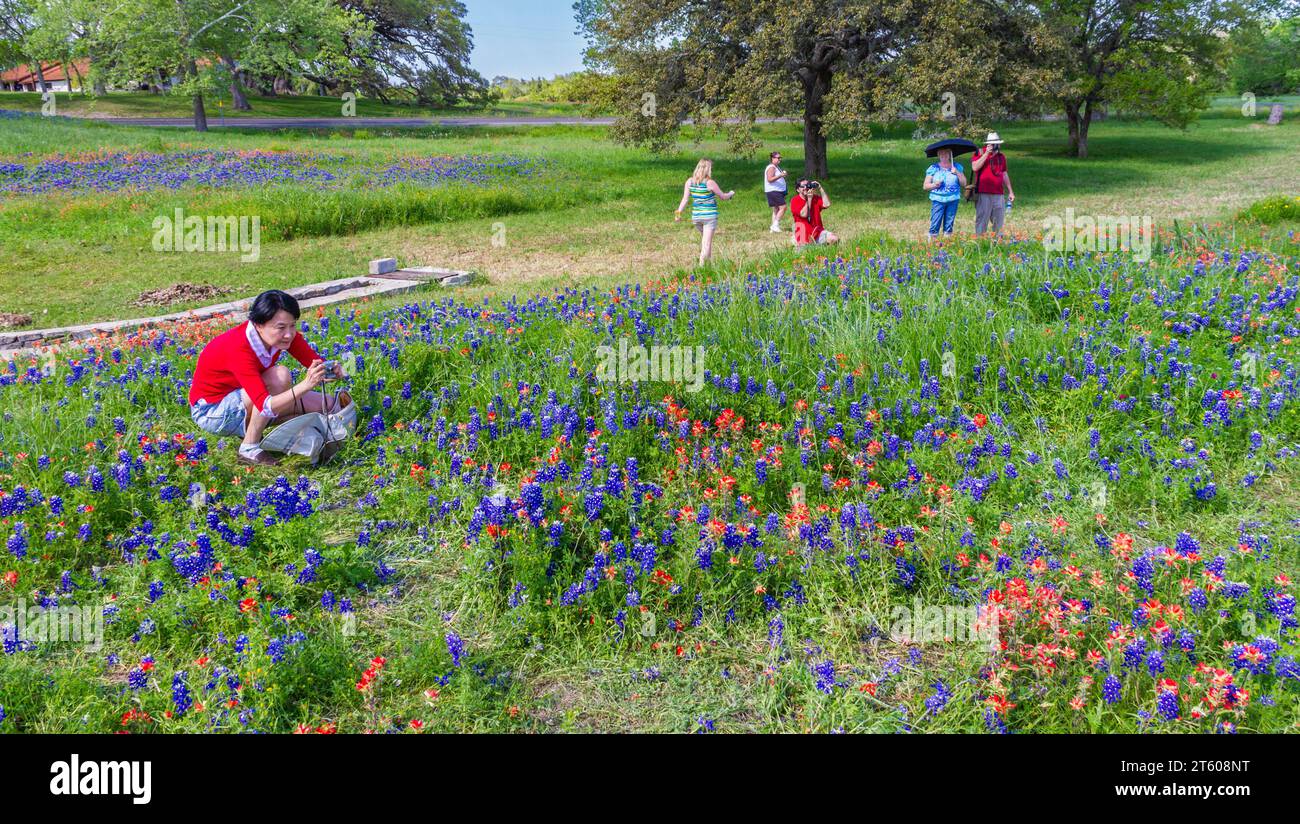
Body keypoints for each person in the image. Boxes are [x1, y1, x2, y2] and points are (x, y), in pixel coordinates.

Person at [188, 289, 347, 466]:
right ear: (258, 325)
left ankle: (280, 437)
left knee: (330, 406)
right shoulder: (238, 347)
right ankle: (249, 448)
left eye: (292, 325)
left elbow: (314, 362)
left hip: (247, 398)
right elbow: (264, 404)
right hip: (214, 411)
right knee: (279, 377)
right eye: (281, 327)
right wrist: (306, 385)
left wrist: (331, 369)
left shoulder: (282, 337)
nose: (289, 334)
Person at [675, 158, 735, 266]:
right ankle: (701, 268)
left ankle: (709, 265)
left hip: (696, 217)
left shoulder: (689, 182)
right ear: (708, 169)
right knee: (706, 243)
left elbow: (685, 199)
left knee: (706, 241)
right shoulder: (710, 183)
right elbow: (723, 197)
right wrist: (731, 193)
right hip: (709, 217)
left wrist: (678, 213)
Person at [969, 131, 1015, 236]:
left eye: (998, 143)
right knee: (982, 220)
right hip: (983, 193)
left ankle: (997, 242)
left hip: (999, 194)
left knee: (999, 221)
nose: (997, 145)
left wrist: (1011, 191)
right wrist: (986, 154)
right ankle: (980, 242)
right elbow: (975, 167)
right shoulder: (979, 152)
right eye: (995, 143)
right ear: (988, 144)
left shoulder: (1001, 157)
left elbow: (1004, 174)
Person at [923, 147, 966, 241]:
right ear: (938, 155)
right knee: (935, 221)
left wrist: (957, 173)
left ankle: (947, 243)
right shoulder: (934, 168)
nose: (944, 155)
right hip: (938, 200)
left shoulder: (957, 167)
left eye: (946, 153)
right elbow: (925, 186)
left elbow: (964, 183)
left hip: (953, 199)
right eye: (941, 153)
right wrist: (935, 185)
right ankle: (932, 243)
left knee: (949, 222)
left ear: (950, 155)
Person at [790, 179, 839, 246]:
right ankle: (796, 240)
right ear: (798, 190)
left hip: (817, 231)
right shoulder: (795, 200)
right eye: (803, 186)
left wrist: (820, 188)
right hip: (803, 233)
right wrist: (809, 199)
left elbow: (827, 204)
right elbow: (804, 214)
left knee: (834, 239)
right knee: (805, 251)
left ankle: (820, 246)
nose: (806, 188)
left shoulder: (815, 198)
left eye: (807, 185)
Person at [763, 151, 789, 232]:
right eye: (778, 158)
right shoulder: (772, 167)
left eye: (780, 158)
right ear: (772, 158)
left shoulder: (776, 167)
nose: (780, 159)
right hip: (774, 191)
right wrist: (780, 175)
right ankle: (775, 225)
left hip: (776, 191)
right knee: (783, 207)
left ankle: (773, 228)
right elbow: (769, 179)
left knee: (776, 209)